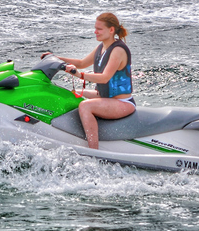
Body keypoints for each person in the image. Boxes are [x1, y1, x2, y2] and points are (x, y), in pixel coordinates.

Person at [42, 12, 135, 150]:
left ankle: (93, 150)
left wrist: (80, 75)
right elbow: (81, 62)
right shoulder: (101, 47)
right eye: (95, 28)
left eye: (99, 29)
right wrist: (55, 58)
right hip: (104, 97)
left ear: (111, 30)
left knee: (85, 106)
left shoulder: (118, 50)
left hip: (122, 102)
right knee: (72, 93)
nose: (95, 31)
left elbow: (104, 77)